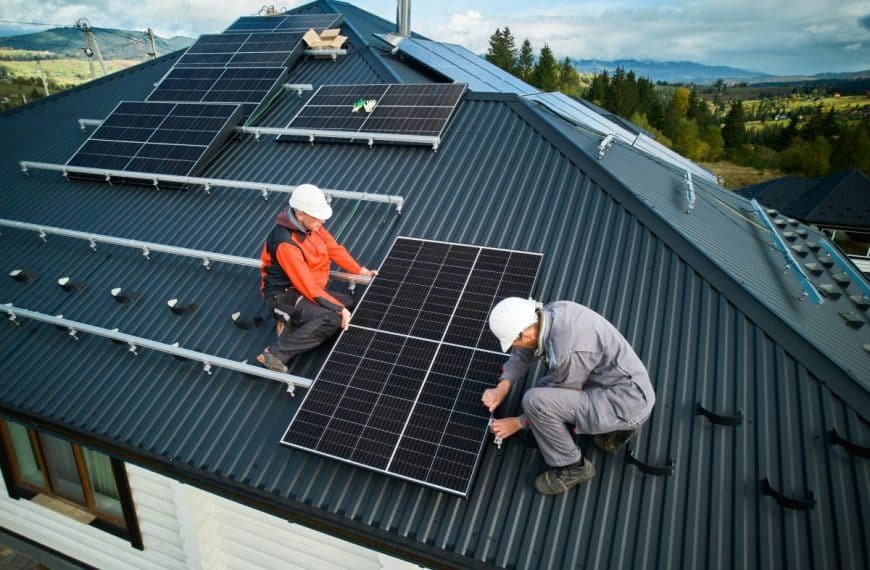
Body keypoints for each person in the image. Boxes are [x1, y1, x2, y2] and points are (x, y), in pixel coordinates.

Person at [482, 297, 655, 496]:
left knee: (535, 401)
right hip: (616, 383)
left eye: (514, 341)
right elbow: (524, 352)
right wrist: (502, 387)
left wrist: (518, 423)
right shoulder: (548, 314)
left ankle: (573, 467)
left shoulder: (566, 352)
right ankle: (614, 431)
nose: (515, 346)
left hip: (626, 402)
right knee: (541, 390)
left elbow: (562, 393)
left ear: (526, 334)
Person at [256, 184, 376, 372]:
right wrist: (339, 309)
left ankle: (295, 321)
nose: (321, 220)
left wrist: (360, 270)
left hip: (304, 289)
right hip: (283, 296)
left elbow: (333, 248)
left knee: (350, 302)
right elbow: (308, 287)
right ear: (300, 214)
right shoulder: (285, 243)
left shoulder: (313, 225)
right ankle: (274, 354)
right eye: (316, 215)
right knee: (332, 318)